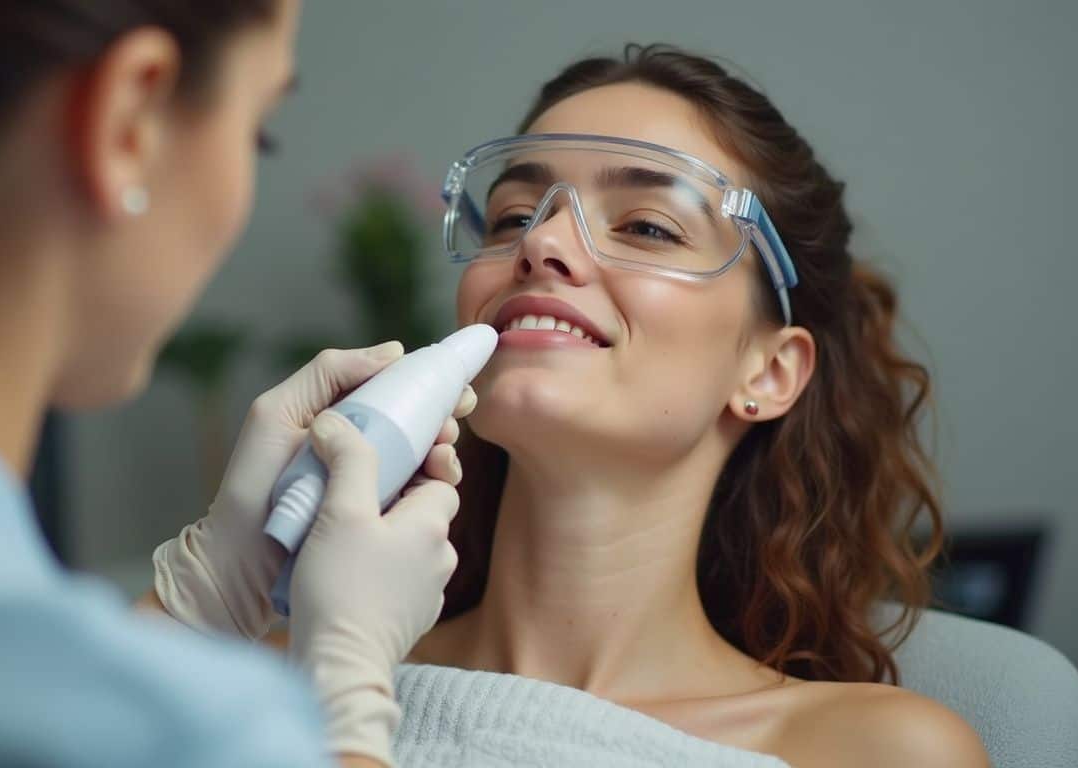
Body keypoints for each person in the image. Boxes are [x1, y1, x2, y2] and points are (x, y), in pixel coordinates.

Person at [171, 44, 991, 766]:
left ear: (770, 372)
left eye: (647, 226)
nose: (542, 243)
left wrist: (337, 703)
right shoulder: (246, 676)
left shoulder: (876, 752)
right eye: (514, 215)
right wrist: (204, 607)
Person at [0, 3, 467, 767]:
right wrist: (348, 695)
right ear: (130, 121)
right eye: (257, 131)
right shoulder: (196, 733)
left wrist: (195, 605)